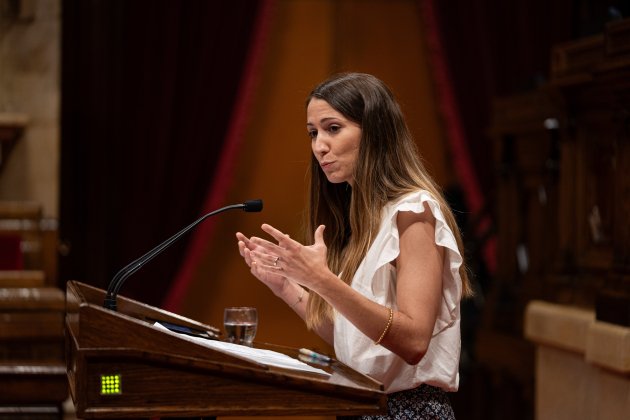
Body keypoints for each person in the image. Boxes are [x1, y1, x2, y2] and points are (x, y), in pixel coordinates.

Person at [236, 72, 473, 419]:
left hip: (408, 411)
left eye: (333, 128)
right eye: (313, 133)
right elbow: (356, 339)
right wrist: (287, 285)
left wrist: (322, 281)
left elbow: (413, 342)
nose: (319, 145)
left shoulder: (413, 212)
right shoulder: (360, 220)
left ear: (375, 131)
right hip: (363, 408)